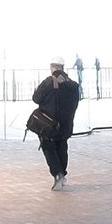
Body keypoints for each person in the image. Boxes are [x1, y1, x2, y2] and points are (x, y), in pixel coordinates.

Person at [31, 60, 80, 189]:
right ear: (63, 68)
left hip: (49, 125)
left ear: (52, 68)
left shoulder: (48, 82)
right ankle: (62, 174)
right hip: (66, 124)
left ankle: (58, 174)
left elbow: (36, 98)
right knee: (62, 147)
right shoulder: (72, 85)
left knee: (48, 148)